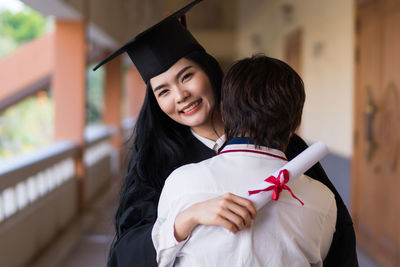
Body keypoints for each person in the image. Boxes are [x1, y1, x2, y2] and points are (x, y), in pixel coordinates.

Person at [93, 1, 358, 266]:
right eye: (163, 91)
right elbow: (125, 255)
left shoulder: (283, 144)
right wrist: (185, 219)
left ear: (208, 71)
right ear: (156, 103)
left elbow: (336, 237)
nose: (180, 96)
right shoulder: (157, 163)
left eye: (186, 76)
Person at [152, 54, 337, 266]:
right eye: (164, 91)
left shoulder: (181, 182)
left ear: (223, 111)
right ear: (295, 124)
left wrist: (188, 218)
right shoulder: (322, 199)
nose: (180, 96)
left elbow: (160, 257)